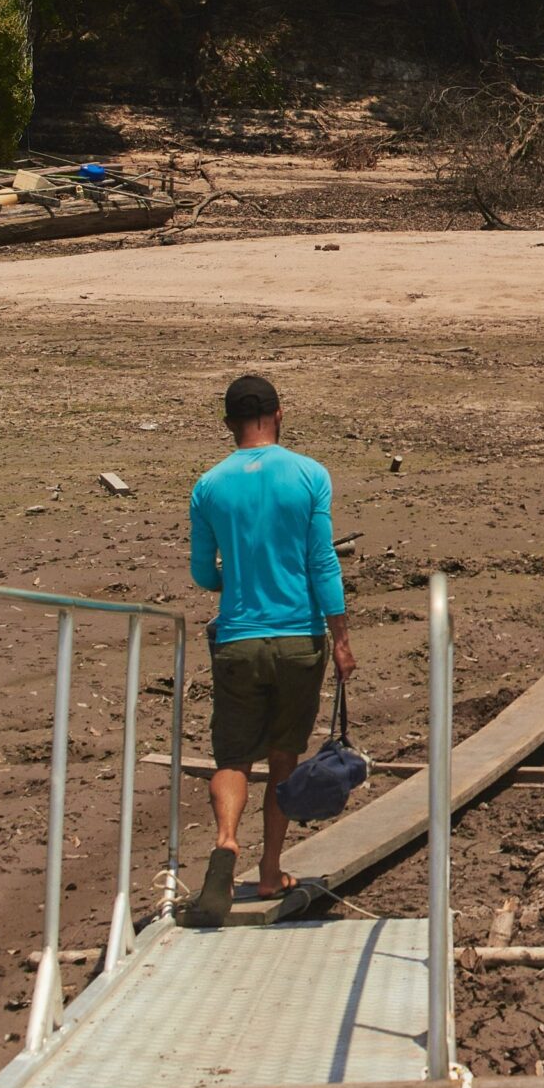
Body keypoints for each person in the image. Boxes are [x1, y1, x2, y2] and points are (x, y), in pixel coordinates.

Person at [182, 375, 352, 925]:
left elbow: (200, 574)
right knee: (284, 756)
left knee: (232, 758)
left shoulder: (208, 486)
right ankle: (272, 867)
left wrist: (235, 580)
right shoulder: (309, 475)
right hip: (299, 638)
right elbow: (321, 562)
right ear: (279, 414)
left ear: (229, 423)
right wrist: (341, 637)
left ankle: (226, 842)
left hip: (238, 639)